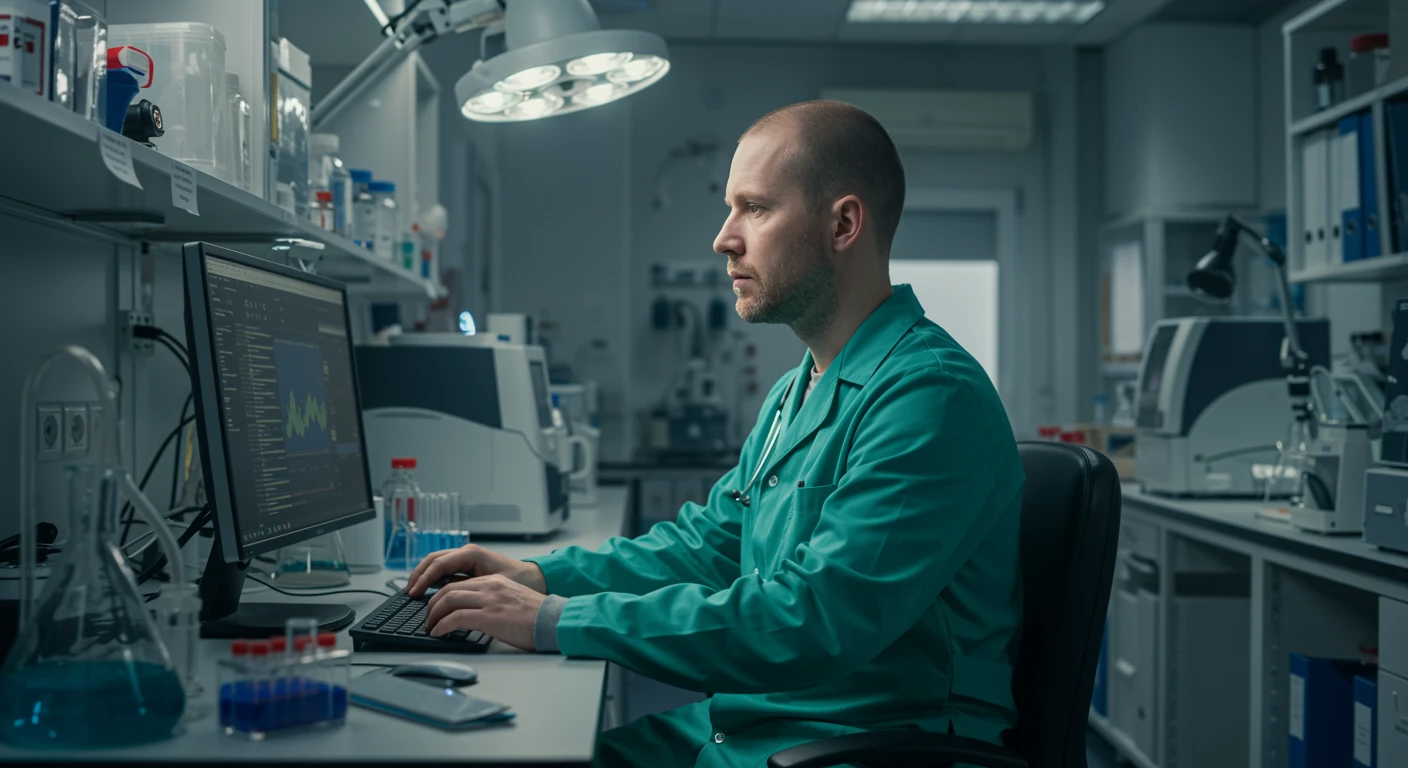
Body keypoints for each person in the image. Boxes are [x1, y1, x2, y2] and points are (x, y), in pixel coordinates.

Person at [406, 100, 1024, 767]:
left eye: (755, 209)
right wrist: (536, 575)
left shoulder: (928, 396)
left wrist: (556, 621)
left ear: (843, 223)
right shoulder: (800, 390)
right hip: (755, 728)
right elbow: (709, 548)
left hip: (867, 747)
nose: (724, 237)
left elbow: (811, 620)